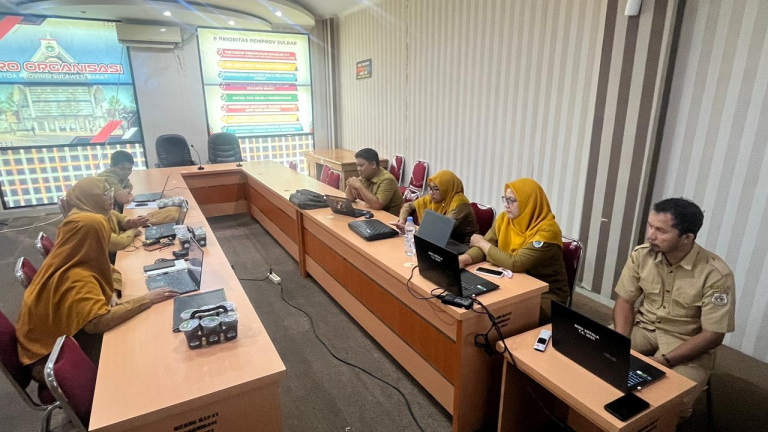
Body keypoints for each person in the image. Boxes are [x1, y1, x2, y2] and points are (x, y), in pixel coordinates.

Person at [15, 212, 177, 383]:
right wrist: (147, 299)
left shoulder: (71, 253)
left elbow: (112, 271)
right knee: (137, 353)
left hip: (60, 336)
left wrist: (113, 291)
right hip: (48, 357)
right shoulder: (75, 276)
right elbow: (97, 323)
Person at [612, 198, 735, 419]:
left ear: (687, 237)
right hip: (644, 327)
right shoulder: (642, 254)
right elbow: (625, 302)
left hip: (687, 340)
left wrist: (664, 361)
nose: (650, 236)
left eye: (661, 231)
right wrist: (620, 342)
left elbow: (713, 335)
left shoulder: (715, 274)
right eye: (650, 226)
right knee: (596, 359)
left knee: (669, 404)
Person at [459, 178, 569, 324]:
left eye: (511, 201)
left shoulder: (547, 232)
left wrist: (481, 242)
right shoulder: (505, 219)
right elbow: (484, 247)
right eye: (505, 199)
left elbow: (516, 263)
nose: (506, 205)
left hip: (545, 295)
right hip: (511, 282)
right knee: (478, 305)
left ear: (528, 202)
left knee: (499, 316)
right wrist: (464, 259)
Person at [66, 176, 180, 252]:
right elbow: (118, 243)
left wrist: (130, 222)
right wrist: (133, 231)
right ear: (91, 197)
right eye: (105, 194)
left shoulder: (99, 209)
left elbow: (120, 218)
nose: (111, 197)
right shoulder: (86, 221)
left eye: (110, 191)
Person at [395, 170, 478, 243]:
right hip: (442, 241)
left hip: (462, 245)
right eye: (430, 188)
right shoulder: (434, 198)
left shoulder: (459, 203)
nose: (431, 192)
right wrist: (402, 221)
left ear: (446, 189)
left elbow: (441, 231)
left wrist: (412, 228)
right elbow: (408, 206)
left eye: (436, 189)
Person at [344, 148, 403, 216]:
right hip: (374, 214)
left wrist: (359, 186)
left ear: (373, 164)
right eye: (357, 166)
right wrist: (350, 184)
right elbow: (350, 199)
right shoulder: (366, 176)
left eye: (361, 165)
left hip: (390, 218)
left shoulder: (387, 179)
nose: (358, 169)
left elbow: (377, 205)